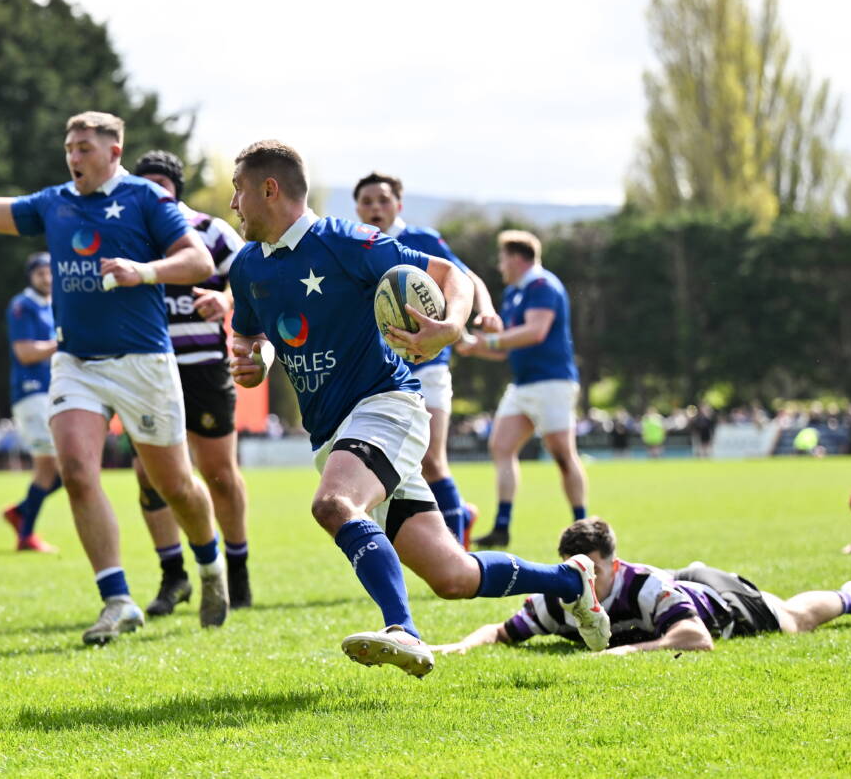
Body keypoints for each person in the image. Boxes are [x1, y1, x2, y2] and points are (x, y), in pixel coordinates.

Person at [225, 140, 611, 677]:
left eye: (238, 190)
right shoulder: (246, 267)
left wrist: (452, 326)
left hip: (388, 404)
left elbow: (451, 275)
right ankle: (571, 582)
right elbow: (250, 337)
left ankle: (403, 630)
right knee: (453, 577)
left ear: (270, 189)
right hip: (332, 432)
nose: (233, 204)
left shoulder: (345, 242)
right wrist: (256, 361)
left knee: (334, 504)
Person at [0, 111, 228, 645]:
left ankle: (210, 565)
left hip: (143, 363)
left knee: (175, 486)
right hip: (76, 361)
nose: (74, 157)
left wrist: (142, 271)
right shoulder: (54, 202)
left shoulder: (146, 199)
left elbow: (197, 260)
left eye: (85, 148)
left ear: (114, 152)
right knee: (76, 471)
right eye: (70, 147)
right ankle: (117, 600)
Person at [437, 517, 851, 658]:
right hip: (682, 583)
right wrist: (461, 645)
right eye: (573, 570)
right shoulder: (559, 597)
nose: (585, 581)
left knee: (793, 619)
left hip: (717, 601)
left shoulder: (640, 584)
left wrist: (624, 653)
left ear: (613, 563)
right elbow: (500, 632)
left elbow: (697, 639)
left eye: (594, 570)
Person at [128, 149, 254, 613]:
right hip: (146, 367)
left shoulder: (209, 230)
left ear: (176, 189)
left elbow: (250, 275)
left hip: (203, 365)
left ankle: (237, 569)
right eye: (147, 185)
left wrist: (225, 301)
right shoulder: (130, 235)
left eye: (163, 184)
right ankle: (173, 576)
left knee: (219, 475)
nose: (155, 193)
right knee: (148, 475)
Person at [353, 171, 501, 547]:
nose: (375, 208)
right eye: (367, 202)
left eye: (382, 200)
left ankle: (457, 550)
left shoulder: (421, 240)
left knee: (433, 460)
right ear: (357, 208)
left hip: (431, 365)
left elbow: (466, 278)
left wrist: (485, 311)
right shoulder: (355, 249)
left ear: (398, 206)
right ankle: (458, 516)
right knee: (405, 467)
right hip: (384, 373)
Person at [459, 230, 588, 548]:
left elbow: (535, 332)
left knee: (562, 455)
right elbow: (506, 348)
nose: (499, 265)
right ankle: (502, 527)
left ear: (517, 258)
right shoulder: (515, 293)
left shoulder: (543, 286)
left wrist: (486, 341)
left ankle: (583, 528)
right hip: (523, 385)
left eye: (502, 258)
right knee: (500, 447)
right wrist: (472, 346)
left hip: (552, 383)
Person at [1, 252, 62, 552]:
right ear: (31, 276)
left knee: (67, 471)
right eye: (41, 273)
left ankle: (22, 512)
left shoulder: (54, 305)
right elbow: (25, 353)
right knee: (51, 468)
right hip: (31, 392)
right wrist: (63, 343)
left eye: (51, 272)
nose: (47, 277)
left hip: (51, 392)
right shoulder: (22, 306)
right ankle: (25, 535)